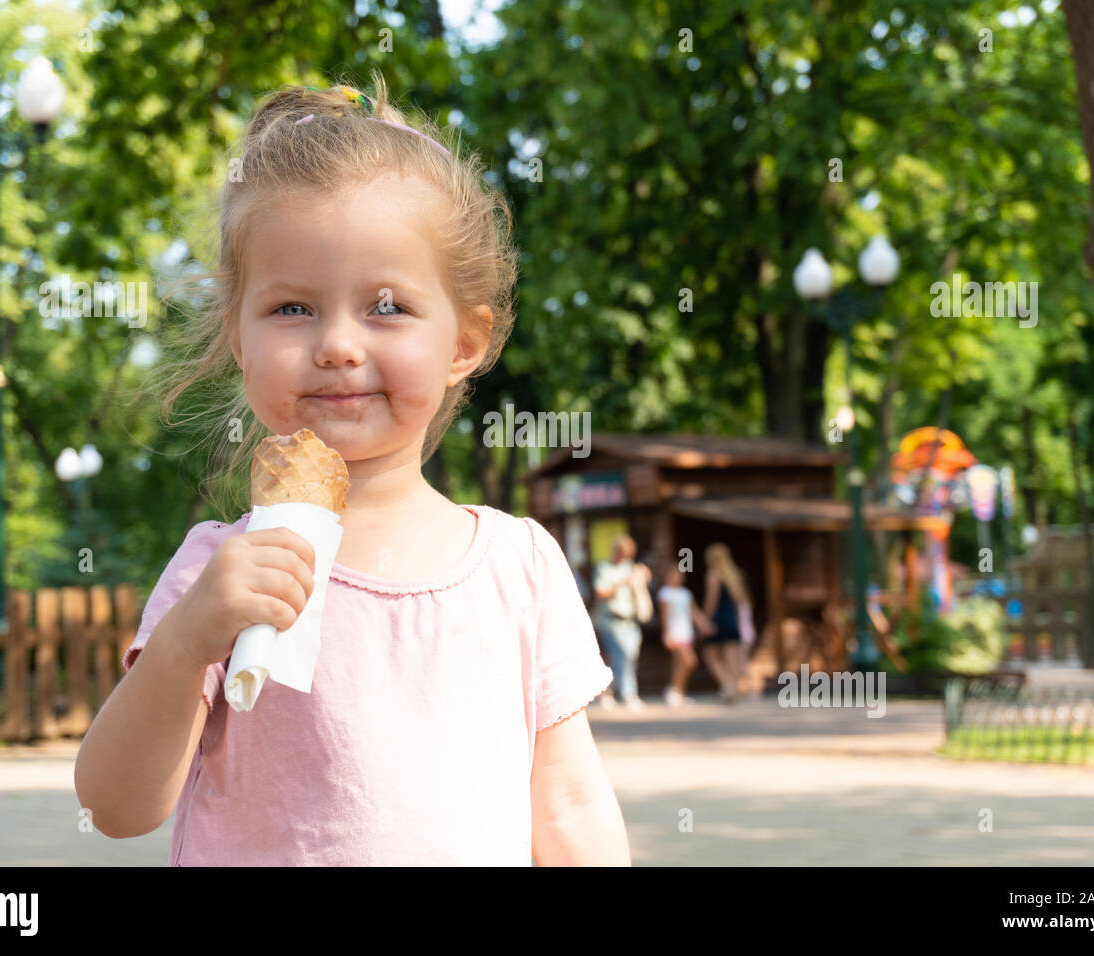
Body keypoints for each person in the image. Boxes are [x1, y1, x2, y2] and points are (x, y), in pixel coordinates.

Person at [74, 76, 630, 866]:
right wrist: (186, 640)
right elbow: (114, 807)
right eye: (292, 309)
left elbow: (569, 806)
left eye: (387, 306)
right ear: (239, 338)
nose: (337, 343)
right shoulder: (220, 569)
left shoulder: (522, 568)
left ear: (464, 343)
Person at [592, 534, 653, 712]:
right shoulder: (605, 568)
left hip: (631, 620)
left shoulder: (632, 567)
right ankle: (627, 693)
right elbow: (601, 593)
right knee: (620, 655)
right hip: (611, 619)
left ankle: (610, 691)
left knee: (629, 656)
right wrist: (623, 582)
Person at [701, 542, 756, 704]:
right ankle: (734, 689)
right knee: (732, 658)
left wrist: (705, 619)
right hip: (732, 620)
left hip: (718, 619)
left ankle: (727, 685)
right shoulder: (734, 575)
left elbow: (711, 601)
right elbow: (741, 602)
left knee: (710, 654)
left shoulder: (713, 575)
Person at [656, 566, 716, 706]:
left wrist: (705, 624)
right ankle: (673, 690)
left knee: (679, 664)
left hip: (686, 633)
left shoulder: (685, 593)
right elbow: (664, 615)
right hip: (674, 632)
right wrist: (666, 633)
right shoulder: (665, 593)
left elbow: (694, 612)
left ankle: (678, 692)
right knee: (690, 661)